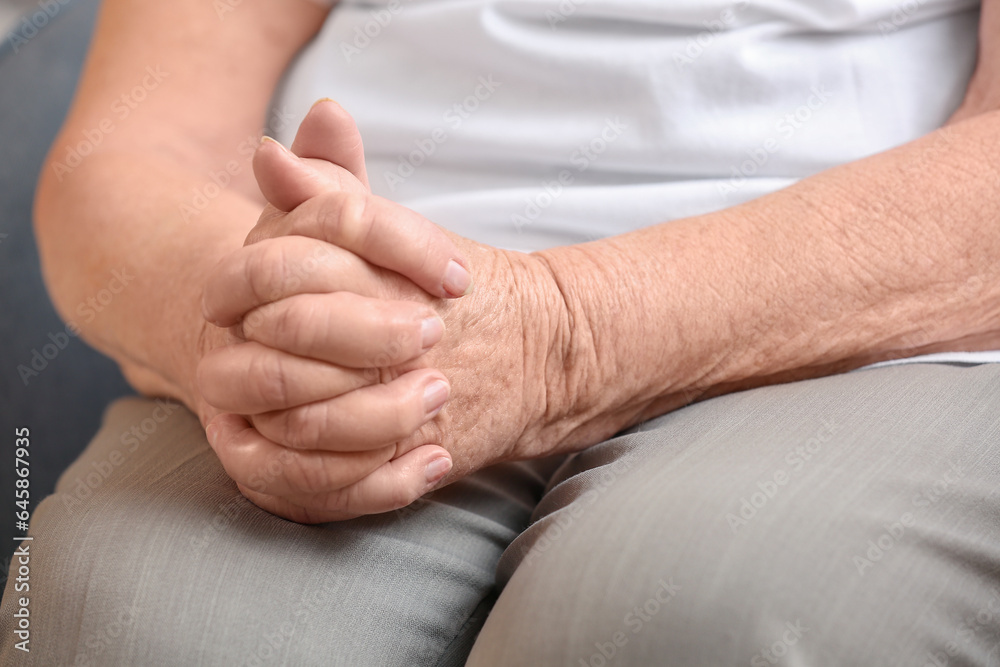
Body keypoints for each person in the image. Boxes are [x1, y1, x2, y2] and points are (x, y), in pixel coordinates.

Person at [2, 0, 1000, 664]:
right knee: (126, 624)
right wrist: (266, 316)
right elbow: (133, 147)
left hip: (839, 331)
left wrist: (562, 335)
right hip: (364, 315)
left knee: (694, 615)